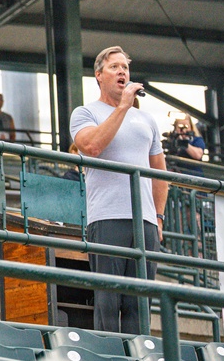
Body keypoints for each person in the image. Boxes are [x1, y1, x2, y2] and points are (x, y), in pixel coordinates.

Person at [70, 46, 167, 334]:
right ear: (98, 75)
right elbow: (92, 147)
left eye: (125, 67)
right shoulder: (86, 112)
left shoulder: (148, 120)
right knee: (108, 301)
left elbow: (160, 174)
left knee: (140, 304)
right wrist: (123, 106)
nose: (122, 72)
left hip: (145, 221)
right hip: (107, 216)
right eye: (114, 67)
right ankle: (112, 360)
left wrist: (159, 217)